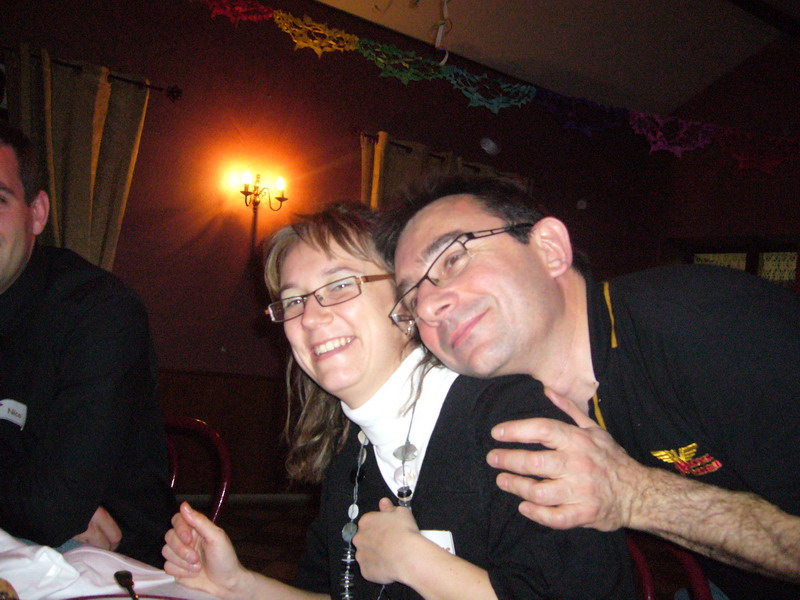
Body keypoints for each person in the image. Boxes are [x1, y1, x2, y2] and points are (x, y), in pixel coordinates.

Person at [162, 202, 633, 600]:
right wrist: (237, 583)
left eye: (340, 285)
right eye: (294, 301)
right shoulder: (350, 459)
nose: (310, 318)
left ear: (406, 304)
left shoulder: (509, 418)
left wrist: (416, 562)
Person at [374, 174, 800, 600]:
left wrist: (635, 495)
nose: (429, 306)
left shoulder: (705, 323)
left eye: (452, 259)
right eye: (411, 300)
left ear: (550, 249)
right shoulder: (512, 409)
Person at [0, 122, 175, 567]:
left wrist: (44, 507)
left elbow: (53, 509)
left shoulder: (98, 312)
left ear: (37, 213)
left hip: (107, 564)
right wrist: (28, 500)